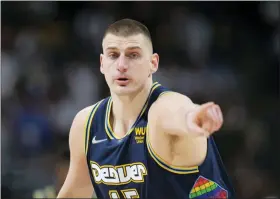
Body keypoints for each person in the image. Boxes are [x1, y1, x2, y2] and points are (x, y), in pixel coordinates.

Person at [57, 18, 235, 199]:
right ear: (102, 63)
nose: (121, 65)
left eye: (133, 55)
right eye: (113, 55)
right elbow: (75, 192)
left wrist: (192, 118)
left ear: (153, 63)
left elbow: (177, 111)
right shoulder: (86, 124)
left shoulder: (161, 109)